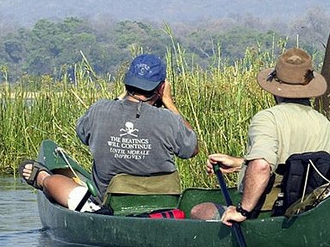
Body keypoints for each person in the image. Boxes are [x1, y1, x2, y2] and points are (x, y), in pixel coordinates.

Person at [19, 53, 198, 213]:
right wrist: (169, 101)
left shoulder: (100, 110)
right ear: (161, 88)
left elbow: (82, 134)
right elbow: (192, 149)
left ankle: (41, 178)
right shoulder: (170, 119)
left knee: (59, 183)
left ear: (127, 83)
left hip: (107, 205)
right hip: (163, 205)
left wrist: (123, 96)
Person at [190, 47, 330, 225]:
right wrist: (240, 163)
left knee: (200, 210)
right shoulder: (325, 124)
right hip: (310, 215)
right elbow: (299, 166)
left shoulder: (268, 118)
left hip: (269, 214)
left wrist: (242, 211)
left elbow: (261, 166)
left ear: (276, 87)